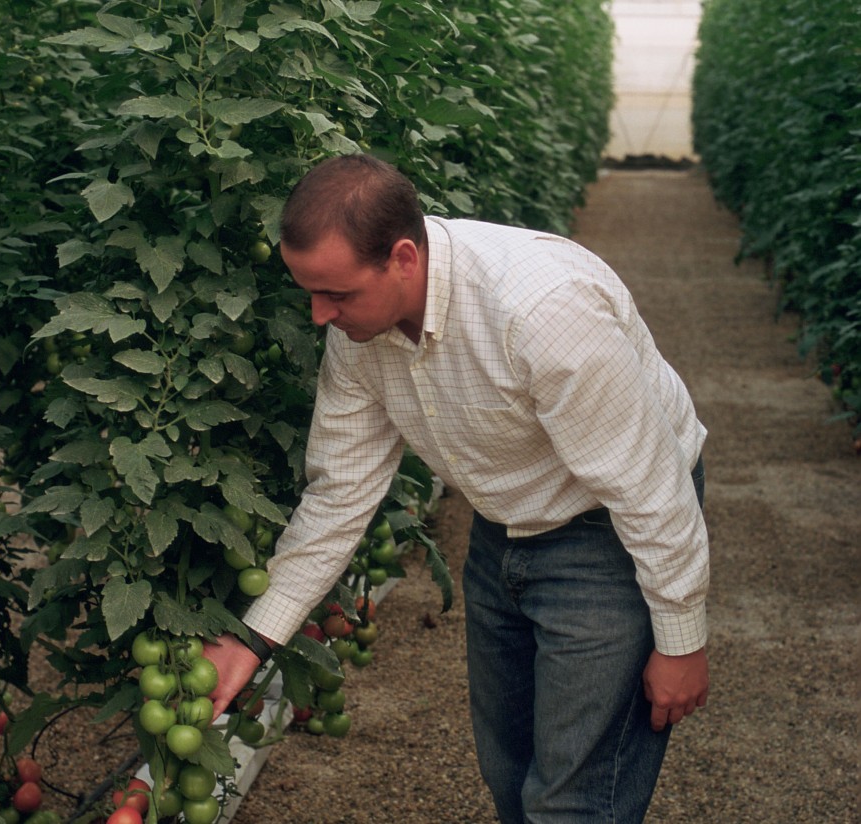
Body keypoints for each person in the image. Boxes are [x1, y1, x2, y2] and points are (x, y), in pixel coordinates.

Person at [203, 154, 710, 823]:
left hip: (609, 530)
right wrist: (252, 640)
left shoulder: (542, 312)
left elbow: (650, 488)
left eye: (339, 294)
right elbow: (340, 495)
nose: (320, 315)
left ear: (404, 259)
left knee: (574, 802)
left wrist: (681, 640)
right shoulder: (360, 334)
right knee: (511, 773)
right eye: (309, 293)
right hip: (503, 528)